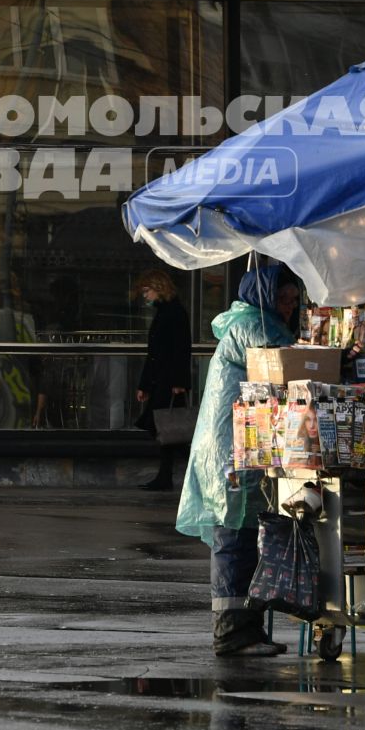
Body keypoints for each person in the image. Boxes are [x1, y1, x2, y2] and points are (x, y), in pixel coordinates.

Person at [176, 263, 303, 658]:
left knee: (244, 538)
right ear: (264, 297)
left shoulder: (247, 323)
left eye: (293, 301)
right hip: (231, 454)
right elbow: (288, 364)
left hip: (237, 449)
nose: (287, 307)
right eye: (282, 299)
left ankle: (246, 629)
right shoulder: (254, 327)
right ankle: (231, 633)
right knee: (234, 539)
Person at [133, 269, 191, 491]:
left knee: (167, 429)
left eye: (147, 291)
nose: (145, 296)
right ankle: (166, 474)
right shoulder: (165, 312)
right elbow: (155, 352)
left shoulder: (174, 312)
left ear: (159, 288)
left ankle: (167, 474)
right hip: (161, 379)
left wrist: (179, 382)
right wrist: (145, 384)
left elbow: (180, 349)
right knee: (166, 429)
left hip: (169, 381)